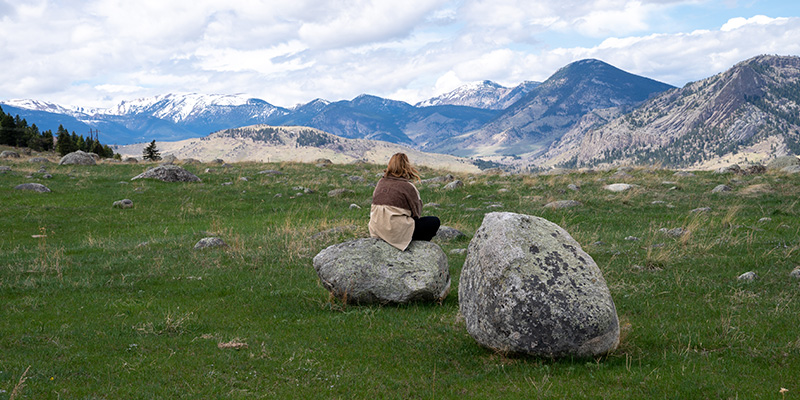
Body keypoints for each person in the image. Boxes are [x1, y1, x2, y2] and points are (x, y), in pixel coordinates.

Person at [369, 153, 440, 251]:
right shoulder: (407, 186)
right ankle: (417, 248)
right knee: (434, 221)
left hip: (376, 230)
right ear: (407, 166)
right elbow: (417, 213)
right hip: (395, 232)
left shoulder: (381, 182)